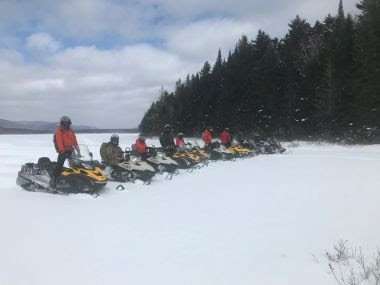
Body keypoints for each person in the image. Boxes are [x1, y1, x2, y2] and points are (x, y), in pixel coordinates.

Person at [51, 116, 80, 188]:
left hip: (71, 149)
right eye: (65, 123)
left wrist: (78, 150)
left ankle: (77, 178)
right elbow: (59, 141)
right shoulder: (59, 131)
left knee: (75, 164)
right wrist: (62, 150)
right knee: (60, 164)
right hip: (63, 151)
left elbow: (74, 141)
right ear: (62, 123)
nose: (66, 124)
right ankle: (54, 179)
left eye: (67, 123)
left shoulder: (71, 131)